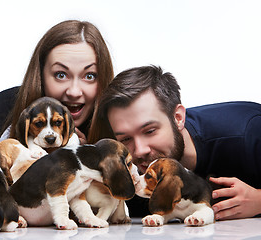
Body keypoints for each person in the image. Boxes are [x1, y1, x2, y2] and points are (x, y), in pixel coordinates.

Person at [88, 65, 261, 221]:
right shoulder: (131, 168)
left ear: (178, 118)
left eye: (149, 131)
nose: (140, 151)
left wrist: (259, 201)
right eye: (126, 139)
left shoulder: (248, 133)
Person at [0, 20, 114, 144]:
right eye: (61, 75)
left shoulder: (118, 125)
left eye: (89, 76)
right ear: (40, 75)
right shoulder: (0, 112)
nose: (73, 92)